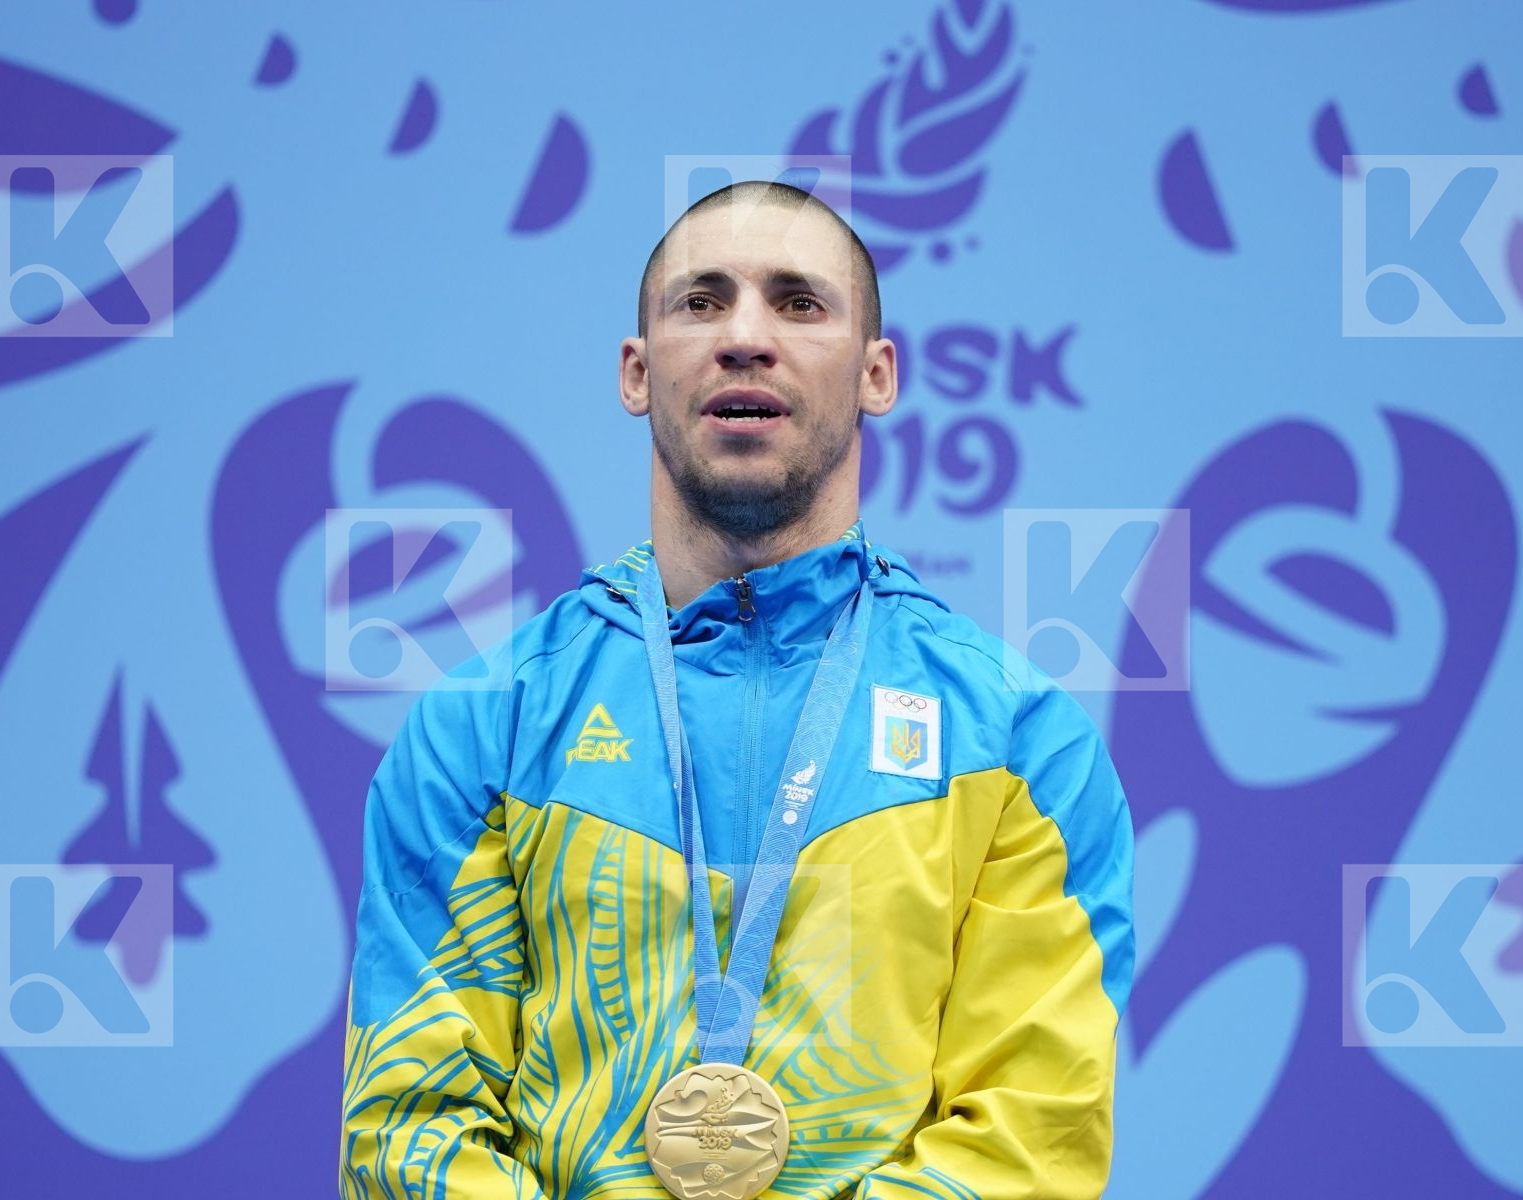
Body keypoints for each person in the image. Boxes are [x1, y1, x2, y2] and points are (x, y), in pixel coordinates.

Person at [339, 179, 1134, 1199]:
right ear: (636, 373)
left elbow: (1027, 1145)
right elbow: (410, 1133)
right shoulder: (483, 726)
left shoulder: (1020, 743)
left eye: (799, 303)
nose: (746, 338)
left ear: (877, 373)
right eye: (700, 302)